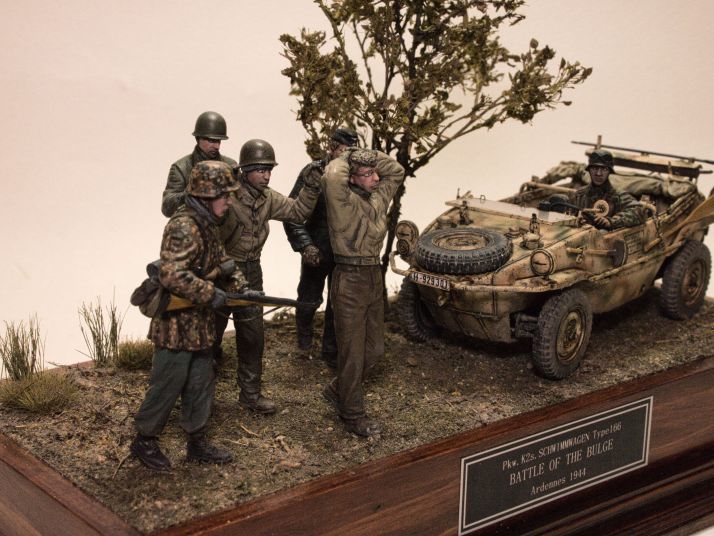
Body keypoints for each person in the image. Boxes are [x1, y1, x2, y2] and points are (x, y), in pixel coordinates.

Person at [131, 160, 247, 472]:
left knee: (201, 382)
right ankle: (144, 440)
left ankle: (197, 441)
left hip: (200, 325)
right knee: (167, 384)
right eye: (225, 195)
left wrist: (239, 285)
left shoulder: (208, 224)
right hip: (176, 327)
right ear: (207, 195)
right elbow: (172, 274)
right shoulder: (183, 227)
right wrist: (210, 293)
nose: (229, 201)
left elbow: (221, 260)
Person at [214, 139, 321, 415]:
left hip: (252, 271)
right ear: (245, 170)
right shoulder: (227, 196)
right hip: (222, 270)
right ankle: (200, 395)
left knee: (253, 336)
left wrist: (310, 187)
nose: (266, 175)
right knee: (210, 335)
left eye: (269, 170)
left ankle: (250, 394)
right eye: (261, 170)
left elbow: (297, 212)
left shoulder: (268, 198)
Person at [321, 148, 405, 437]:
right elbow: (332, 176)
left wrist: (367, 158)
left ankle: (338, 389)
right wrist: (349, 157)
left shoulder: (378, 197)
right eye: (368, 174)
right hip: (349, 278)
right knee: (352, 352)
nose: (376, 178)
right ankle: (352, 413)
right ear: (352, 178)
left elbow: (396, 171)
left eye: (374, 173)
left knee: (375, 350)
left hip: (372, 276)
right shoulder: (341, 200)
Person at [283, 128, 359, 366]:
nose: (348, 158)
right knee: (308, 300)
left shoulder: (356, 175)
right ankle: (303, 344)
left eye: (352, 152)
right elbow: (292, 214)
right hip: (317, 246)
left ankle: (331, 351)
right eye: (344, 151)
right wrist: (306, 246)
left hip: (343, 251)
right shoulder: (314, 172)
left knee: (338, 303)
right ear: (332, 148)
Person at [161, 111, 237, 217]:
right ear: (198, 139)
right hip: (194, 222)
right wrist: (191, 192)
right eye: (211, 141)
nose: (217, 146)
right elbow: (167, 207)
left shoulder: (230, 165)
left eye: (218, 141)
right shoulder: (181, 168)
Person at [575, 149, 645, 229]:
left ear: (609, 172)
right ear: (589, 170)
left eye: (604, 169)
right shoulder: (580, 194)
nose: (598, 173)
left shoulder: (618, 196)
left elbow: (640, 211)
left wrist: (611, 222)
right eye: (595, 168)